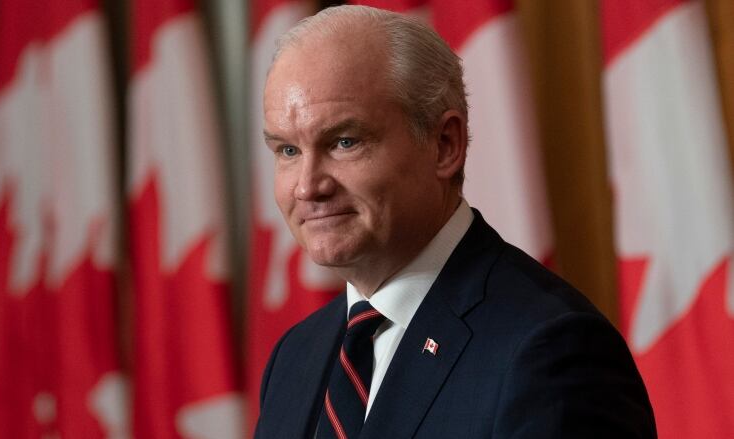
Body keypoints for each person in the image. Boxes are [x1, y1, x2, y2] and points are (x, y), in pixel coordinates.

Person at [254, 5, 656, 439]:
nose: (307, 187)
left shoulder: (550, 351)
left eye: (344, 142)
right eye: (287, 152)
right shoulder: (296, 356)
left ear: (445, 145)